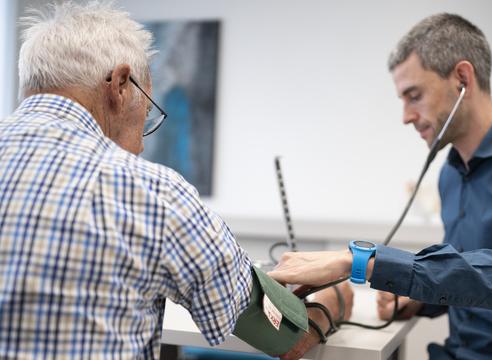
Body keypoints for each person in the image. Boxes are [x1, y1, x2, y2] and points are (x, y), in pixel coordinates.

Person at [0, 2, 351, 359]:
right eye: (147, 110)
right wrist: (333, 300)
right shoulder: (153, 193)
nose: (138, 146)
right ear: (120, 84)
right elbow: (284, 337)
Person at [269, 13, 492, 359]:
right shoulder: (451, 174)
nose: (406, 116)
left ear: (462, 78)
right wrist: (418, 301)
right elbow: (474, 281)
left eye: (414, 96)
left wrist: (360, 261)